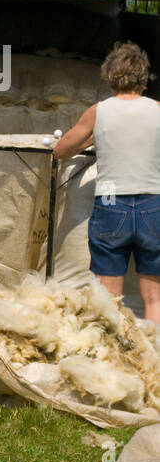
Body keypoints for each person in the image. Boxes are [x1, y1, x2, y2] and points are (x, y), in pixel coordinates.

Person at [54, 41, 160, 321]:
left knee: (110, 299)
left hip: (112, 204)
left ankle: (112, 360)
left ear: (110, 76)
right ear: (143, 76)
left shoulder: (98, 111)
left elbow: (61, 150)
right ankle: (155, 360)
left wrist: (94, 137)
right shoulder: (158, 109)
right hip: (153, 204)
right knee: (155, 298)